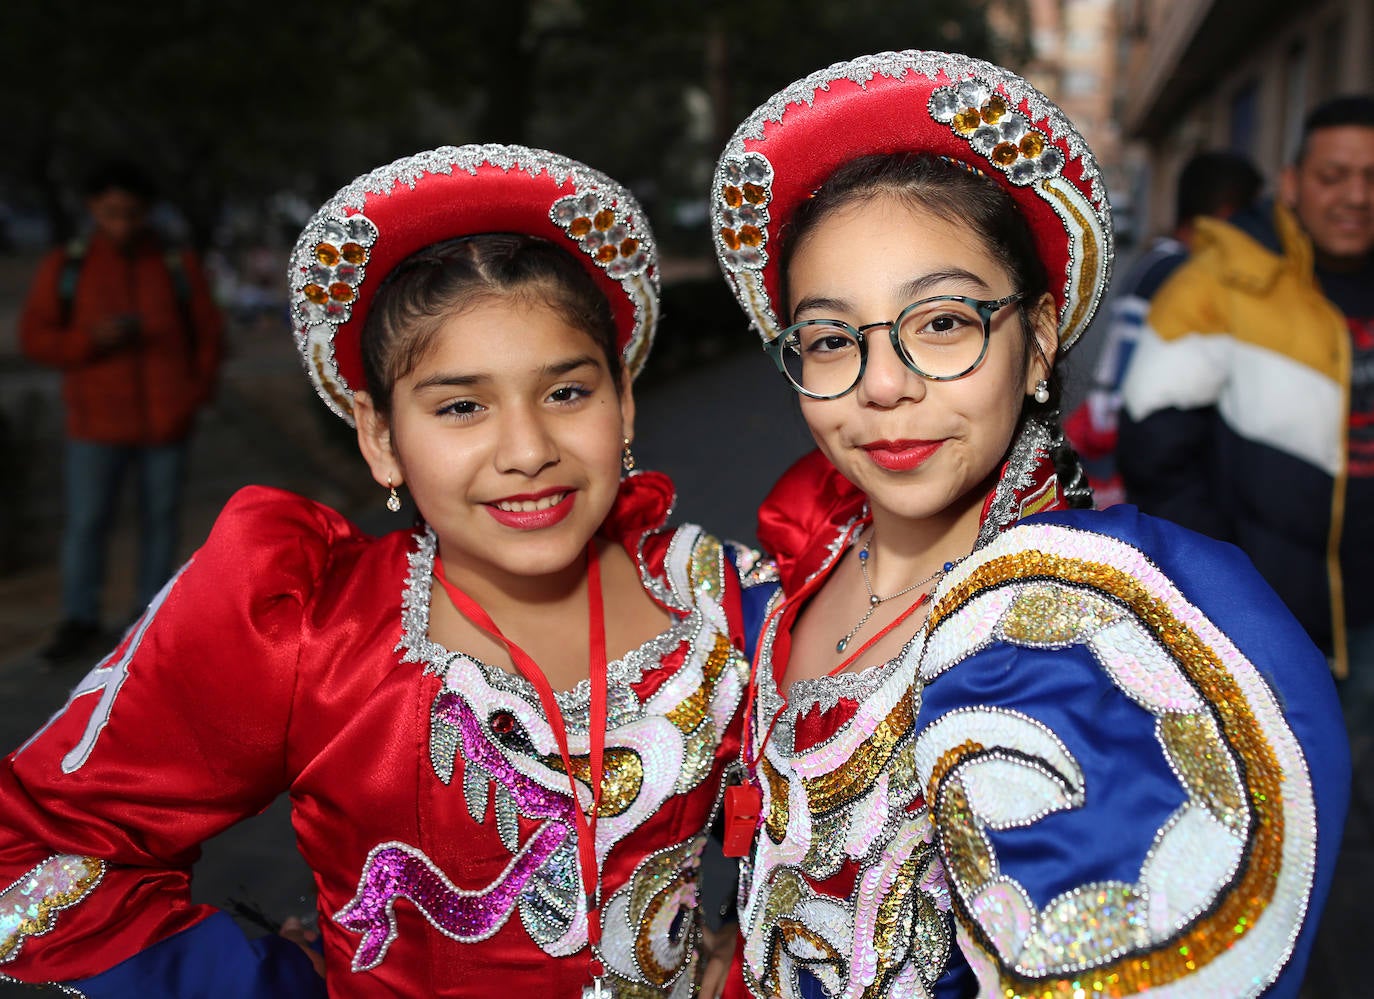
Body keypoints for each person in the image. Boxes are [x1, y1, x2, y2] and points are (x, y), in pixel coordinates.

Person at [0, 145, 775, 996]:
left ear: (624, 400)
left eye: (565, 393)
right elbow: (30, 852)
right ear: (379, 437)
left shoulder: (725, 601)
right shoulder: (307, 629)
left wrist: (734, 964)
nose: (527, 451)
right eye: (460, 407)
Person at [708, 51, 1350, 998]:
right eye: (834, 338)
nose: (884, 384)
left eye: (942, 322)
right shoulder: (781, 581)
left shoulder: (1094, 635)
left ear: (1040, 338)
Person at [1118, 97, 1374, 698]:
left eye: (1372, 178)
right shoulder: (1216, 283)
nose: (1356, 197)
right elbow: (1155, 452)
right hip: (1273, 618)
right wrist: (1231, 587)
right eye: (1334, 177)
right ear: (1292, 183)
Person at [18, 160, 225, 663]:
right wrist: (89, 341)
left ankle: (146, 620)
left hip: (166, 421)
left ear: (147, 212)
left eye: (131, 213)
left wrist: (191, 395)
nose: (122, 224)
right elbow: (34, 337)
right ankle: (80, 618)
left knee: (161, 521)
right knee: (88, 522)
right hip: (95, 422)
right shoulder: (69, 266)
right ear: (93, 209)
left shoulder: (175, 264)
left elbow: (211, 336)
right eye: (111, 213)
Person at [1063, 150, 1262, 505]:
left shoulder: (1157, 261)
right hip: (1130, 455)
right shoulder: (1186, 278)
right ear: (1229, 217)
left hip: (1114, 445)